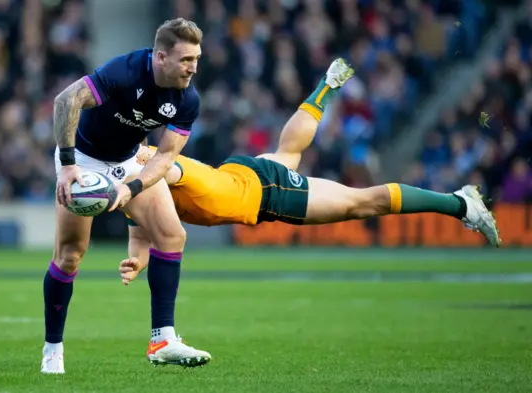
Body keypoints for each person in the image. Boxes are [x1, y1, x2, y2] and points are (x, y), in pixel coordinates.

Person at [119, 59, 501, 283]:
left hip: (262, 191)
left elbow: (161, 175)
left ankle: (460, 204)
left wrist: (114, 191)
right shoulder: (137, 169)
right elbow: (144, 212)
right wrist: (139, 255)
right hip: (242, 173)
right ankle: (326, 86)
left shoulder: (145, 167)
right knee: (288, 153)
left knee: (362, 203)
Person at [44, 18, 211, 374]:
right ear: (161, 57)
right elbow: (65, 101)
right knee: (70, 256)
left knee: (172, 235)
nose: (193, 67)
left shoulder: (188, 97)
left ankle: (162, 339)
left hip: (129, 161)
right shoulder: (125, 71)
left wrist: (131, 188)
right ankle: (52, 349)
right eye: (185, 60)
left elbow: (166, 156)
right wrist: (69, 164)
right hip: (83, 161)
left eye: (196, 58)